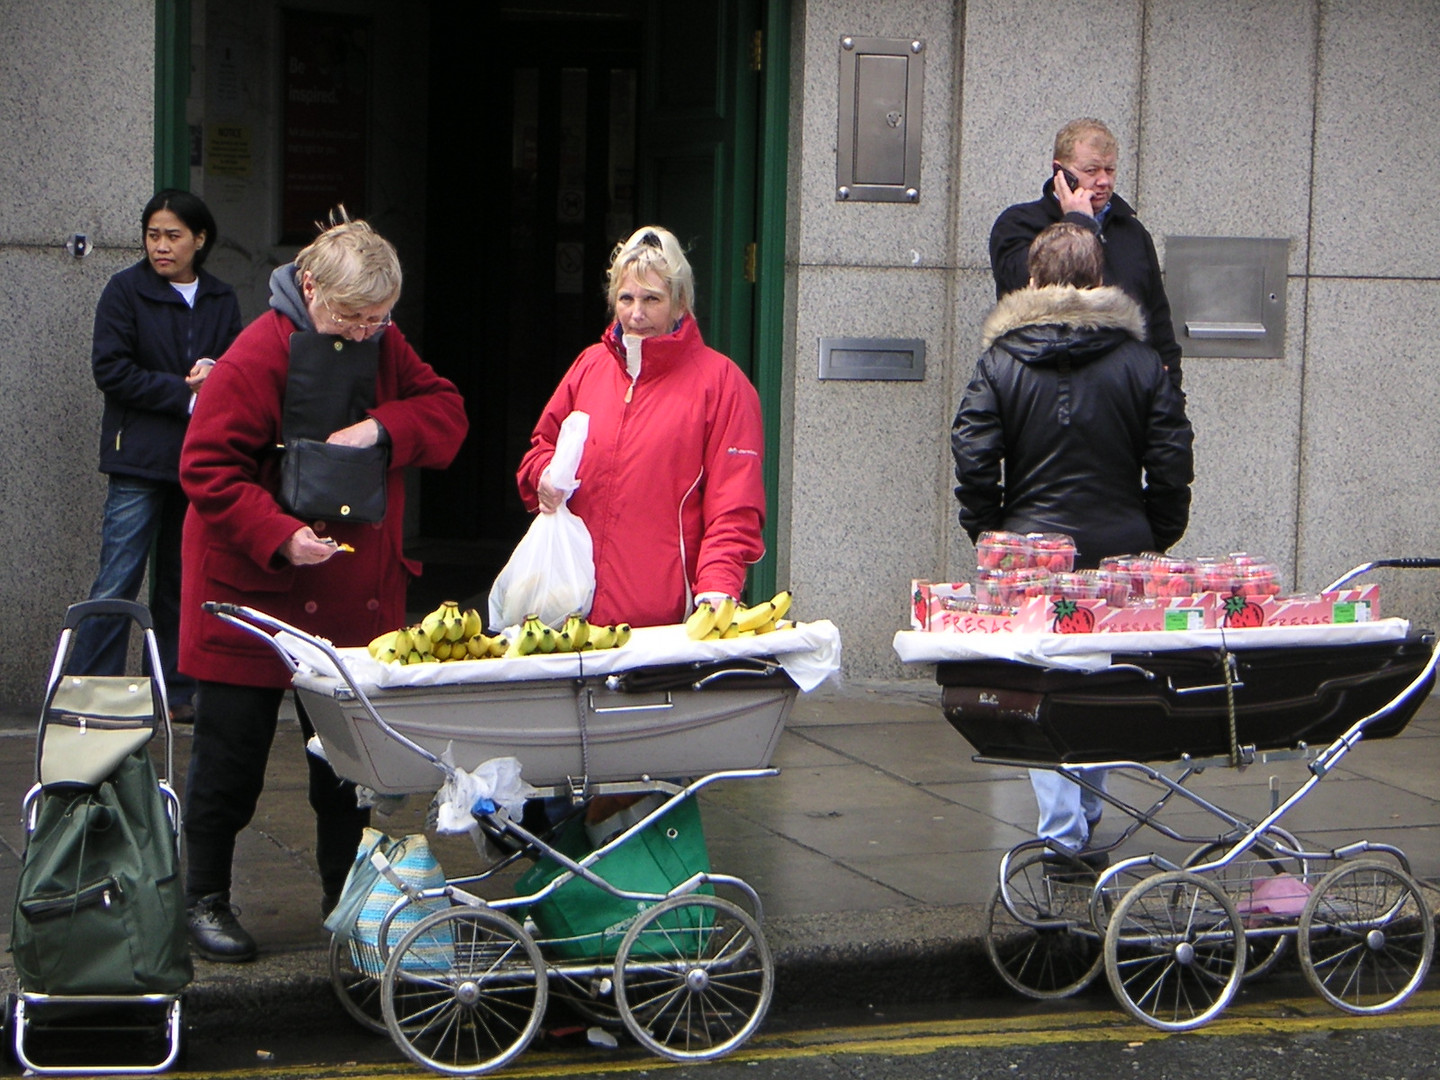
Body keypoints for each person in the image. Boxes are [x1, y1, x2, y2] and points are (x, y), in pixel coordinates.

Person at [177, 211, 468, 961]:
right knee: (229, 760)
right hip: (250, 594)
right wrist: (280, 535)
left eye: (379, 318)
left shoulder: (384, 342)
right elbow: (205, 467)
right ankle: (201, 896)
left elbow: (447, 414)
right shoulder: (254, 354)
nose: (367, 331)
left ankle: (347, 900)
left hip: (344, 599)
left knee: (346, 770)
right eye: (350, 316)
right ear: (309, 288)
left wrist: (383, 427)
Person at [953, 221, 1194, 862]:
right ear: (1101, 280)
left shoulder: (1001, 359)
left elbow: (973, 451)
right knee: (1098, 685)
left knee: (1044, 686)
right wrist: (1158, 529)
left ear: (1033, 279)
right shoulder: (1141, 362)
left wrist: (991, 531)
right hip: (1121, 541)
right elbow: (1171, 453)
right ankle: (1085, 818)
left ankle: (1064, 833)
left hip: (1030, 551)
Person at [516, 225, 765, 629]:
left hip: (665, 622)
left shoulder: (723, 385)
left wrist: (717, 594)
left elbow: (734, 508)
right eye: (626, 298)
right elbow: (541, 447)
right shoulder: (590, 367)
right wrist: (543, 476)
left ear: (680, 303)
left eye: (653, 299)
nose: (636, 313)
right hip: (569, 615)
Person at [72, 190, 242, 723]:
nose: (161, 246)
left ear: (200, 239)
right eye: (153, 235)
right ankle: (87, 687)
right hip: (138, 458)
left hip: (196, 459)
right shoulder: (125, 291)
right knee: (118, 575)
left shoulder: (219, 297)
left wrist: (217, 376)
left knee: (182, 576)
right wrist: (185, 393)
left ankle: (178, 688)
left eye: (173, 236)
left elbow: (241, 368)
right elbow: (112, 370)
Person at [989, 118, 1185, 393]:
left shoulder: (1131, 232)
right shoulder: (1018, 224)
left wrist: (1170, 395)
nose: (1103, 181)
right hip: (1047, 390)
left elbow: (1158, 322)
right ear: (1060, 172)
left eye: (1110, 169)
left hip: (1123, 395)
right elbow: (1022, 285)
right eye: (1091, 170)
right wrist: (1077, 224)